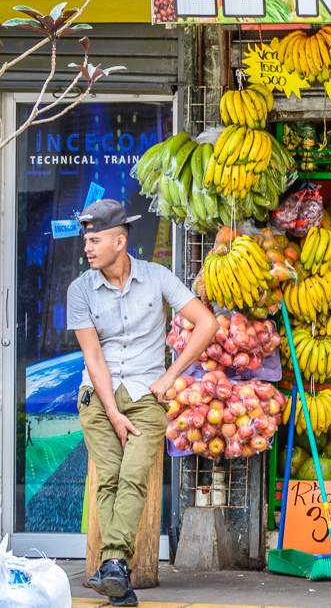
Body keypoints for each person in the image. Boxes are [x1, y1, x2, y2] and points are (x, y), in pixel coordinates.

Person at [67, 200, 218, 607]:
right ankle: (116, 569)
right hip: (97, 396)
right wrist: (112, 412)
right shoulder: (79, 290)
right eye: (86, 239)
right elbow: (94, 358)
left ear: (120, 241)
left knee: (134, 473)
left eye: (95, 240)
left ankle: (113, 566)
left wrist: (171, 376)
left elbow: (208, 324)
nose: (88, 247)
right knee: (111, 474)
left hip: (147, 394)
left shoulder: (158, 278)